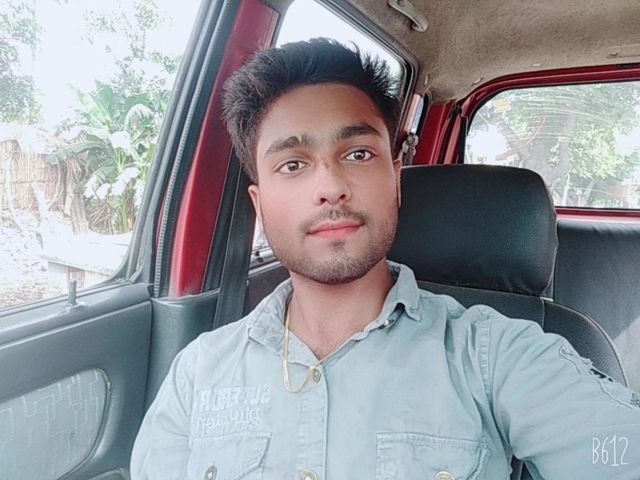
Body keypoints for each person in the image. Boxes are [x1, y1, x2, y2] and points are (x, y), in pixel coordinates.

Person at [130, 38, 640, 480]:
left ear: (395, 179)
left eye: (357, 154)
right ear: (260, 206)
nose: (330, 186)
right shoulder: (198, 374)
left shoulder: (493, 356)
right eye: (293, 164)